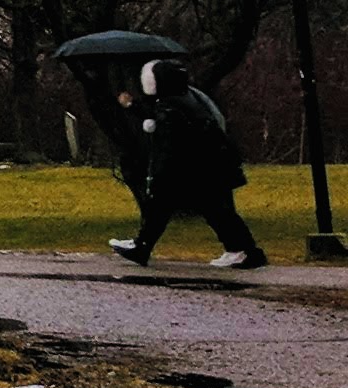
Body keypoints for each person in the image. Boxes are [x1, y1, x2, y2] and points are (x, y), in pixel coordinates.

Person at [62, 33, 266, 268]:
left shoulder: (170, 109)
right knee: (205, 210)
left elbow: (168, 145)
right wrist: (133, 106)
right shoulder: (185, 99)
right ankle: (241, 250)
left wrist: (158, 175)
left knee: (204, 210)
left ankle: (242, 251)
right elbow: (158, 116)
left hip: (199, 168)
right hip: (210, 165)